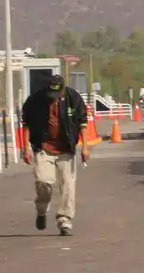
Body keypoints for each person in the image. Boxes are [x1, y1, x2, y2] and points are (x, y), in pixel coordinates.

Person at [20, 72, 91, 235]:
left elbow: (83, 123)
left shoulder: (73, 98)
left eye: (56, 94)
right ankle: (42, 210)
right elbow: (26, 124)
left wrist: (85, 148)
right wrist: (26, 148)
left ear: (62, 90)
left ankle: (65, 220)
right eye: (50, 93)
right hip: (44, 148)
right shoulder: (36, 100)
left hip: (66, 149)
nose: (53, 97)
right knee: (44, 182)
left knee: (68, 185)